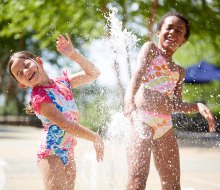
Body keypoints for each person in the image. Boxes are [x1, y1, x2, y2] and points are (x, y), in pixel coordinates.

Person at [124, 12, 216, 190]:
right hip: (141, 119)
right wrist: (129, 103)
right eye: (169, 27)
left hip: (165, 126)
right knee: (138, 179)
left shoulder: (180, 71)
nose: (173, 32)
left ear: (183, 41)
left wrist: (198, 106)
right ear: (159, 31)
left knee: (172, 184)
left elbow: (175, 104)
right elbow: (137, 75)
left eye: (179, 30)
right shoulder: (151, 49)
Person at [8, 33, 104, 190]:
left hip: (69, 151)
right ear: (22, 84)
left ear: (39, 61)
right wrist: (95, 137)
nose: (25, 72)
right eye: (20, 74)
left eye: (26, 65)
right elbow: (66, 124)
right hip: (51, 153)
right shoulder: (39, 98)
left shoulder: (62, 83)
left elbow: (93, 73)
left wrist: (73, 54)